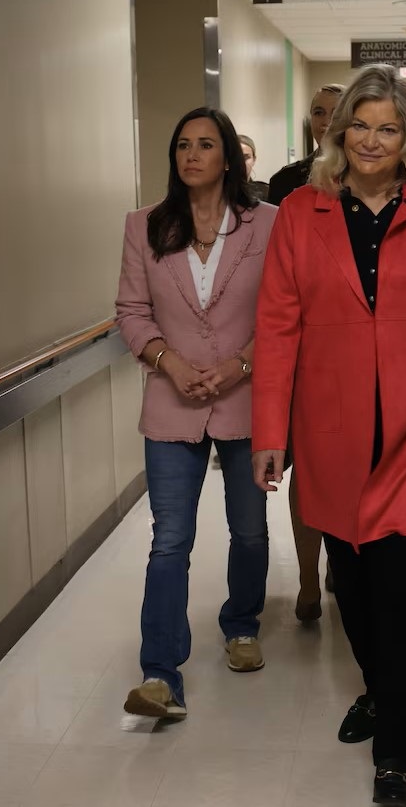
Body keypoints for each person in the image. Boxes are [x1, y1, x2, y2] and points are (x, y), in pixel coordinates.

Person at [251, 64, 406, 807]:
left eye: (389, 127)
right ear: (337, 129)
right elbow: (278, 326)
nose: (372, 139)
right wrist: (270, 430)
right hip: (328, 429)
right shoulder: (300, 211)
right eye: (360, 123)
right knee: (350, 583)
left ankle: (395, 746)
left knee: (402, 580)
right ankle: (382, 686)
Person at [115, 107, 275, 721]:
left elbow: (286, 315)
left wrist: (239, 366)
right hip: (171, 403)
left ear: (229, 156)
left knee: (250, 528)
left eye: (206, 144)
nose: (192, 155)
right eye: (183, 144)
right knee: (169, 541)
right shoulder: (145, 226)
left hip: (245, 397)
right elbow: (131, 311)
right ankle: (159, 672)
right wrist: (168, 362)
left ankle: (241, 625)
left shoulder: (268, 225)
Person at [263, 81, 345, 621]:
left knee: (344, 468)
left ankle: (341, 561)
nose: (325, 120)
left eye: (336, 112)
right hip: (300, 354)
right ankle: (309, 578)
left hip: (348, 354)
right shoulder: (287, 186)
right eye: (317, 112)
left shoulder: (371, 179)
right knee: (306, 471)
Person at [266, 82, 344, 206]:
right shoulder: (284, 180)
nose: (327, 122)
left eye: (336, 114)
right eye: (319, 113)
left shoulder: (365, 177)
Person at [238, 133, 270, 203]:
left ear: (254, 159)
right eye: (237, 157)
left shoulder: (267, 192)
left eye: (246, 157)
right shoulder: (218, 193)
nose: (241, 163)